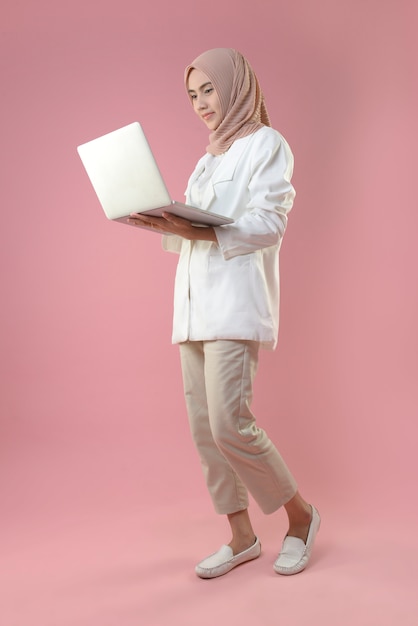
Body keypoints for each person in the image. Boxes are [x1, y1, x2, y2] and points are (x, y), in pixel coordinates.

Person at [128, 48, 320, 579]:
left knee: (230, 423)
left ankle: (301, 519)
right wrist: (165, 224)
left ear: (235, 85)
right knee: (203, 428)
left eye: (208, 90)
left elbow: (269, 222)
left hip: (235, 306)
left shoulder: (267, 144)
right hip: (192, 307)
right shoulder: (208, 158)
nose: (200, 104)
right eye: (191, 95)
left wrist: (205, 229)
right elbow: (194, 233)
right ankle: (240, 537)